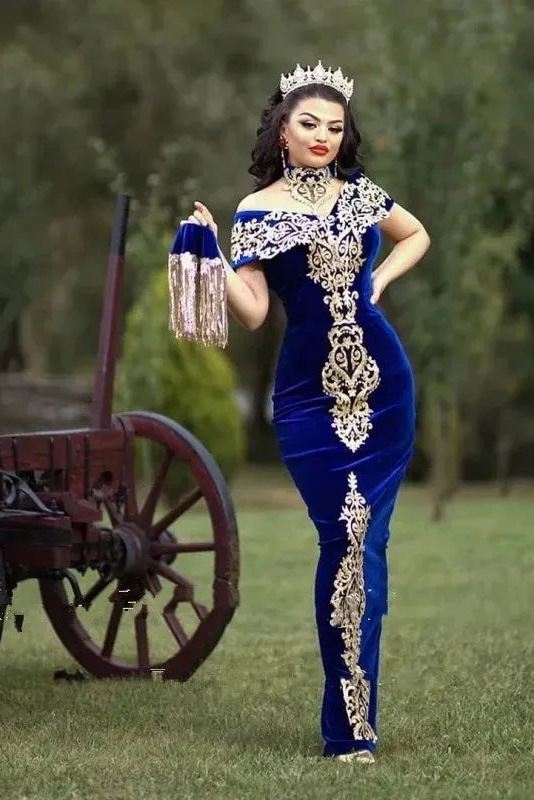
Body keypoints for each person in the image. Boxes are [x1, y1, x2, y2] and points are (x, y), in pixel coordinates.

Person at [182, 61, 430, 764]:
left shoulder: (361, 196)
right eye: (308, 123)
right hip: (308, 402)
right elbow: (257, 312)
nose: (323, 135)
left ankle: (353, 730)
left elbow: (416, 234)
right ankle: (349, 725)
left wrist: (377, 279)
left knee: (365, 545)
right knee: (344, 539)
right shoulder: (257, 211)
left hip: (383, 391)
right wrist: (209, 258)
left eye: (335, 126)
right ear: (281, 131)